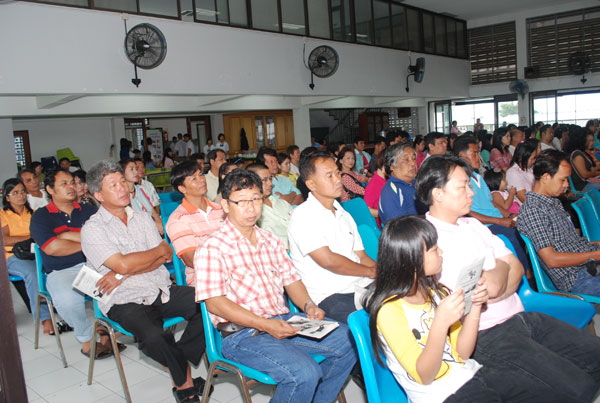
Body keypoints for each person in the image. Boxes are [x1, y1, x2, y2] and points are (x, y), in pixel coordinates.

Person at [415, 155, 600, 402]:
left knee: (595, 355)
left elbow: (517, 270)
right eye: (463, 186)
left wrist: (498, 276)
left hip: (521, 316)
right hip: (487, 334)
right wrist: (501, 269)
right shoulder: (431, 242)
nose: (471, 192)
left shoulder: (472, 225)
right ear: (438, 194)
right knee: (579, 387)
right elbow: (490, 286)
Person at [195, 169, 357, 402]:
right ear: (226, 205)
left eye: (256, 199)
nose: (251, 208)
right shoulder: (212, 247)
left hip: (284, 321)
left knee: (350, 340)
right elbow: (215, 303)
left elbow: (291, 280)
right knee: (304, 373)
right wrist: (265, 324)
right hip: (243, 334)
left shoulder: (270, 240)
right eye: (242, 201)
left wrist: (309, 305)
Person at [81, 160, 209, 402]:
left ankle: (178, 365)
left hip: (159, 288)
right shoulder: (92, 229)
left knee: (210, 303)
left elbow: (165, 254)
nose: (123, 188)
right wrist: (131, 264)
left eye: (123, 182)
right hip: (123, 299)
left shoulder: (142, 218)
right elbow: (124, 262)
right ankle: (185, 384)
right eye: (113, 185)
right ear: (98, 195)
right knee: (154, 338)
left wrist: (122, 273)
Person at [365, 216, 526, 403]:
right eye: (434, 249)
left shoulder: (436, 293)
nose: (441, 252)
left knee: (533, 390)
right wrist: (440, 323)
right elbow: (425, 376)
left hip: (470, 376)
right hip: (441, 395)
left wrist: (475, 306)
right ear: (413, 259)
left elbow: (462, 353)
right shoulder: (389, 312)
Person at [29, 168, 118, 359]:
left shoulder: (89, 210)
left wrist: (67, 236)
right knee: (67, 300)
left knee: (122, 286)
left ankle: (106, 331)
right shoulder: (41, 216)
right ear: (50, 189)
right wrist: (89, 243)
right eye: (64, 183)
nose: (71, 187)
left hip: (96, 265)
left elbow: (108, 238)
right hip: (62, 270)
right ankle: (86, 339)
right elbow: (52, 248)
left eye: (72, 182)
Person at [288, 151, 375, 323]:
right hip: (331, 295)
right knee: (374, 321)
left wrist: (382, 273)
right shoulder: (303, 216)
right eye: (329, 176)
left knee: (404, 299)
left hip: (360, 285)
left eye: (337, 173)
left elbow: (361, 255)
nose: (338, 180)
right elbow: (328, 261)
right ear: (311, 184)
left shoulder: (344, 214)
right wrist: (370, 271)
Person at [518, 150, 600, 296]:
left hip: (588, 266)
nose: (567, 185)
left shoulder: (553, 203)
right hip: (579, 278)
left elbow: (571, 244)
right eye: (563, 180)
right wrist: (595, 255)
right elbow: (551, 259)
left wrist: (596, 246)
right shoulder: (534, 211)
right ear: (546, 177)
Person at [453, 136, 531, 272]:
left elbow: (492, 204)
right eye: (474, 154)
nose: (478, 157)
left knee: (527, 227)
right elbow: (468, 213)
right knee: (512, 237)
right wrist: (500, 221)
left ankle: (531, 270)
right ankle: (526, 275)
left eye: (478, 153)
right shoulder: (460, 181)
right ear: (462, 156)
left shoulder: (478, 177)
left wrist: (510, 215)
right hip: (485, 224)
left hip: (496, 220)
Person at [1, 178, 53, 334]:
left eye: (23, 191)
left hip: (33, 253)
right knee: (32, 273)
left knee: (55, 264)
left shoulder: (33, 214)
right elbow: (5, 239)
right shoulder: (3, 215)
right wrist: (29, 236)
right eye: (15, 193)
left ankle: (59, 304)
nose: (21, 195)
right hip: (12, 256)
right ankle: (44, 318)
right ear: (7, 197)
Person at [166, 161, 225, 287]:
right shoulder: (178, 219)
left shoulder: (221, 209)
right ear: (182, 188)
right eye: (194, 179)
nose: (202, 180)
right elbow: (191, 260)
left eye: (201, 175)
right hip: (206, 280)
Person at [248, 163, 294, 248]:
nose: (270, 183)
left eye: (270, 179)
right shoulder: (251, 212)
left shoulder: (283, 204)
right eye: (264, 180)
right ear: (251, 182)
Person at [378, 143, 424, 227]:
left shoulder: (417, 184)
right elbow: (398, 227)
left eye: (414, 158)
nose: (413, 163)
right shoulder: (391, 191)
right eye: (406, 160)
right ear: (392, 165)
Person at [120, 159, 163, 235]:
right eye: (131, 169)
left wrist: (160, 225)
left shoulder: (142, 189)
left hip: (153, 229)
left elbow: (153, 212)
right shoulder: (122, 197)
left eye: (136, 169)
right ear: (122, 173)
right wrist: (154, 225)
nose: (136, 172)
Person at [565, 127, 600, 192]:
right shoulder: (577, 154)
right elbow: (584, 174)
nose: (593, 143)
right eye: (590, 141)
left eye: (593, 140)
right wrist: (597, 173)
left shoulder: (582, 152)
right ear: (582, 140)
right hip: (582, 186)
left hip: (587, 182)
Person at [505, 140, 538, 206]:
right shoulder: (512, 173)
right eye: (532, 159)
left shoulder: (529, 169)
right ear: (521, 158)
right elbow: (523, 198)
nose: (534, 161)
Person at [364, 153, 386, 223]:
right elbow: (367, 209)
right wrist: (385, 213)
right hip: (384, 223)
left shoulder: (386, 180)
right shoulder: (374, 184)